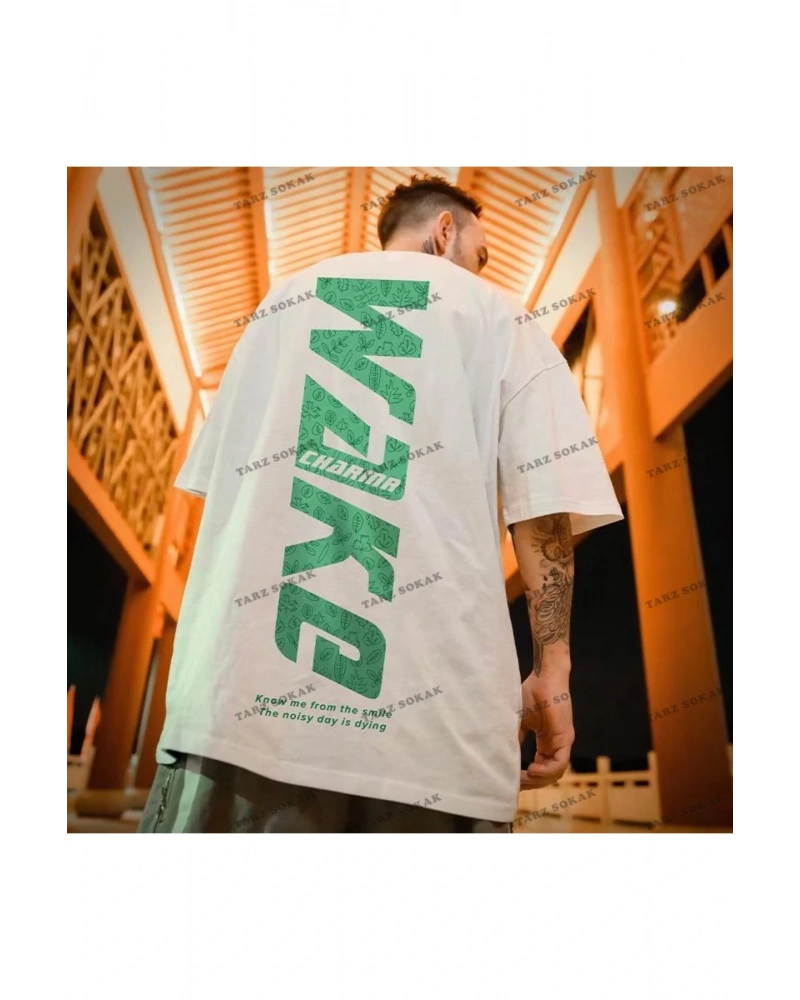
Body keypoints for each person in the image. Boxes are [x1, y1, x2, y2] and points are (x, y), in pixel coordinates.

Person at [138, 175, 622, 834]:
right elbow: (543, 513)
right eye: (481, 255)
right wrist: (551, 672)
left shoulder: (280, 305)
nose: (481, 271)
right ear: (445, 231)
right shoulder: (503, 320)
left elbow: (222, 491)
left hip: (235, 720)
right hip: (436, 742)